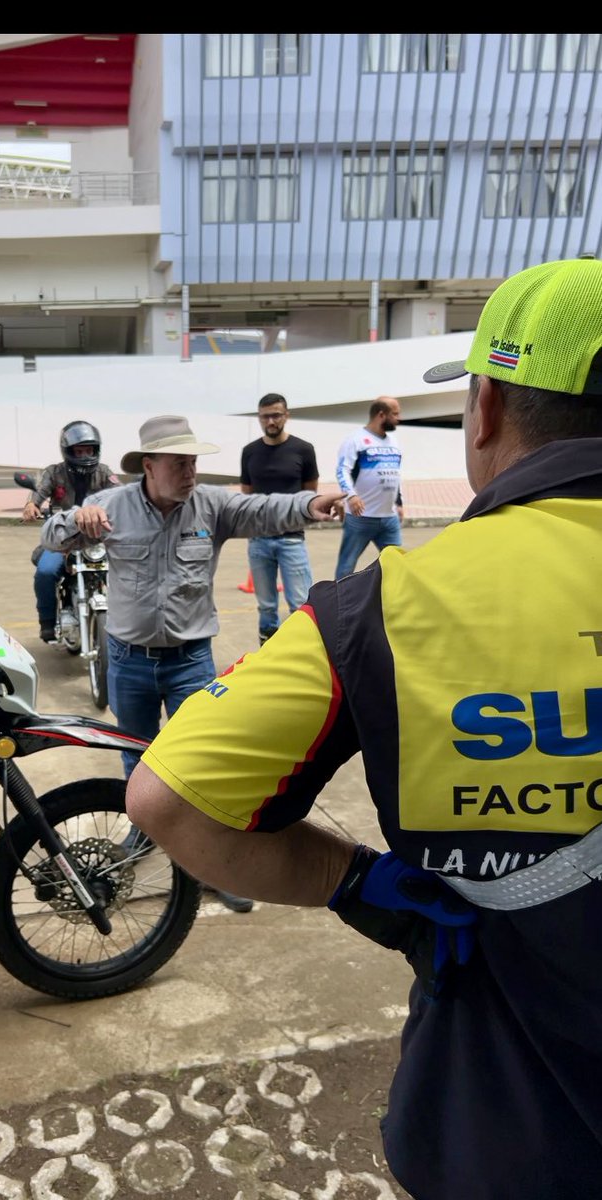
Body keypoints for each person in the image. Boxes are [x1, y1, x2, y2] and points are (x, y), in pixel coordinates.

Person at [124, 256, 602, 1200]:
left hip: (510, 1136)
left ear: (489, 408)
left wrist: (363, 887)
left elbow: (166, 798)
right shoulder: (115, 508)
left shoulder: (387, 607)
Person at [40, 414, 343, 915]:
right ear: (150, 466)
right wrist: (76, 520)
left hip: (190, 660)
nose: (190, 472)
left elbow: (264, 509)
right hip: (129, 660)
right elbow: (52, 540)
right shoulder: (108, 505)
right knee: (137, 758)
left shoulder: (212, 505)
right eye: (180, 463)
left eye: (193, 462)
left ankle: (215, 866)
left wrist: (311, 503)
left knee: (203, 767)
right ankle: (143, 833)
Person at [22, 420, 120, 642]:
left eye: (89, 450)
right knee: (46, 573)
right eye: (79, 450)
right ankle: (46, 621)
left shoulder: (104, 472)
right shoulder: (54, 472)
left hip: (95, 537)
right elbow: (39, 493)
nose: (85, 455)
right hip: (62, 539)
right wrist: (32, 506)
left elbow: (120, 493)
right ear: (68, 451)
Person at [240, 393, 319, 644]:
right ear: (259, 418)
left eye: (276, 415)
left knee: (300, 605)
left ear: (286, 416)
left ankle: (301, 653)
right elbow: (247, 494)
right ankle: (267, 654)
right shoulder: (250, 452)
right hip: (259, 541)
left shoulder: (304, 450)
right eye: (265, 417)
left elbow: (310, 493)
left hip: (292, 540)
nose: (271, 421)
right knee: (266, 607)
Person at [333, 396, 404, 578]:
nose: (399, 418)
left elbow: (394, 474)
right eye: (395, 414)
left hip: (389, 519)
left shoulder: (393, 442)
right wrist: (351, 496)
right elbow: (342, 470)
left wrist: (399, 502)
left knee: (399, 566)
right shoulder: (355, 441)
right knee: (346, 568)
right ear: (381, 415)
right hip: (360, 518)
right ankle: (340, 603)